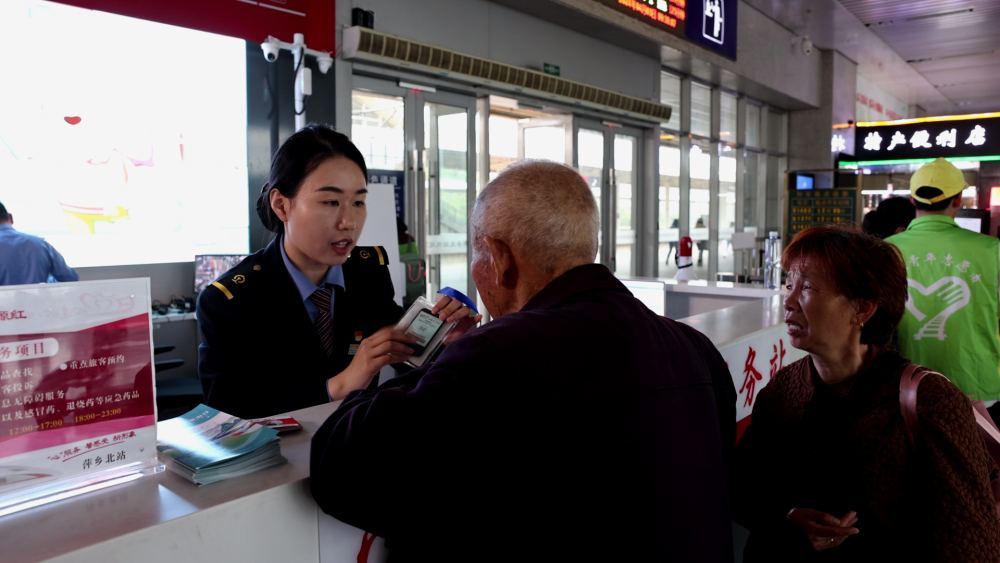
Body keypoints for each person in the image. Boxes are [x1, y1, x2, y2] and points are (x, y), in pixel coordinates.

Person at [311, 161, 737, 561]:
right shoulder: (694, 348)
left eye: (476, 253)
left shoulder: (497, 357)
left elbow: (343, 468)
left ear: (499, 258)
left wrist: (452, 359)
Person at [732, 224, 1000, 562]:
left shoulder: (930, 401)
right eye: (790, 284)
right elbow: (742, 486)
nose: (788, 301)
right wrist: (788, 517)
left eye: (808, 287)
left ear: (863, 309)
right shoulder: (782, 388)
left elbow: (968, 543)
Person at [197, 124, 477, 419]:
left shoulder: (367, 273)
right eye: (331, 202)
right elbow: (227, 414)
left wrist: (446, 344)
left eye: (358, 202)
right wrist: (338, 386)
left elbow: (402, 352)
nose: (349, 222)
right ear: (281, 205)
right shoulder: (231, 301)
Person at [887, 157, 1000, 406]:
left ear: (913, 199)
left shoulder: (885, 250)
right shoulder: (993, 250)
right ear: (958, 199)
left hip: (907, 386)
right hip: (978, 386)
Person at [0, 201, 79, 285]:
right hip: (38, 294)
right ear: (10, 217)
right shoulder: (41, 244)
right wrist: (43, 285)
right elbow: (71, 278)